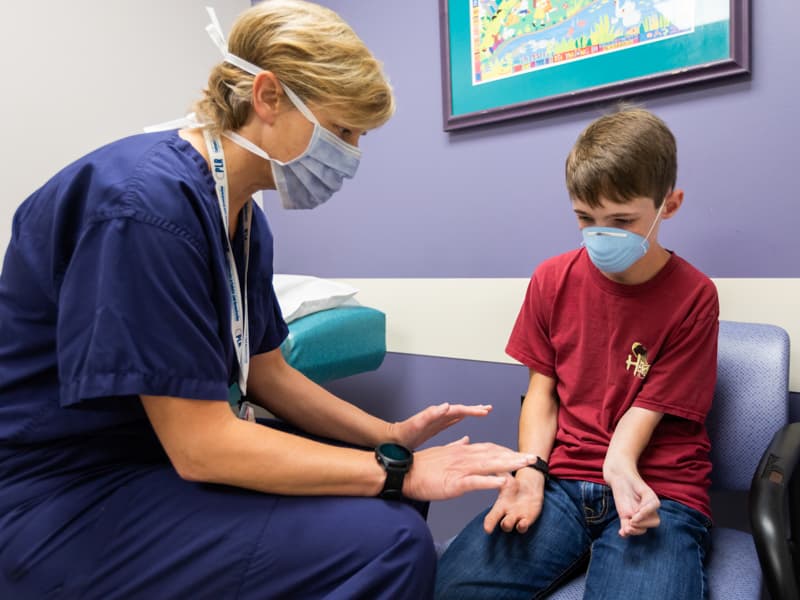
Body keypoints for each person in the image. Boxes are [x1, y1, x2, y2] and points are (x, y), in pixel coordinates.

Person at [0, 2, 537, 598]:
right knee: (392, 543)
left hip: (143, 462)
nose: (353, 156)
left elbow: (266, 373)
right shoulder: (145, 208)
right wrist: (398, 473)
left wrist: (389, 435)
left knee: (385, 490)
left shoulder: (243, 218)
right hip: (61, 497)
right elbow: (202, 447)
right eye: (343, 131)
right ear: (268, 96)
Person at [435, 107, 719, 599]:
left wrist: (620, 468)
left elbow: (645, 411)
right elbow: (541, 396)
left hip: (658, 488)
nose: (600, 235)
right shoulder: (552, 280)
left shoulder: (695, 297)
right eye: (586, 219)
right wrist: (529, 471)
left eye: (621, 220)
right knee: (455, 588)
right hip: (563, 481)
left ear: (668, 206)